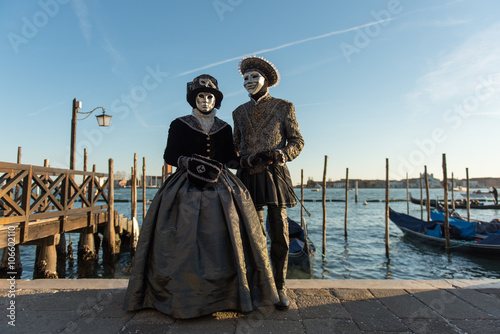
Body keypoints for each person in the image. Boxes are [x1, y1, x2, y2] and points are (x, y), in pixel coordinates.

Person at [123, 74, 278, 319]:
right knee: (182, 236)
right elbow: (169, 156)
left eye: (209, 97)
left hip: (221, 184)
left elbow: (229, 156)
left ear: (215, 101)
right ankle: (182, 295)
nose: (205, 101)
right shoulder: (179, 124)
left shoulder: (224, 127)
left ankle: (229, 293)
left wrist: (248, 160)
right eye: (201, 97)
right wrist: (188, 162)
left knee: (228, 232)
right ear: (193, 100)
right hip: (184, 186)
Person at [232, 56, 304, 310]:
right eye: (245, 78)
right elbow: (235, 148)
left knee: (280, 234)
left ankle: (280, 285)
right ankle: (258, 285)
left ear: (266, 80)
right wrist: (244, 160)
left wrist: (282, 154)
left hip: (274, 176)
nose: (249, 82)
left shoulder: (285, 106)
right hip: (248, 176)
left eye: (254, 77)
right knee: (252, 233)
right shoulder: (238, 112)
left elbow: (297, 141)